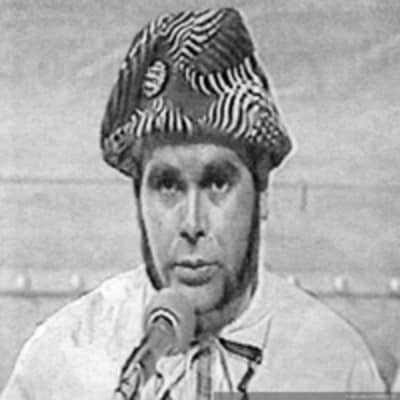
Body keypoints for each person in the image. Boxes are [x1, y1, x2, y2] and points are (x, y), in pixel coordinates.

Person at [2, 7, 385, 399]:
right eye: (167, 185)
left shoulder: (335, 364)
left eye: (218, 183)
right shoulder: (62, 361)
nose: (191, 223)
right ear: (138, 199)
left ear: (262, 194)